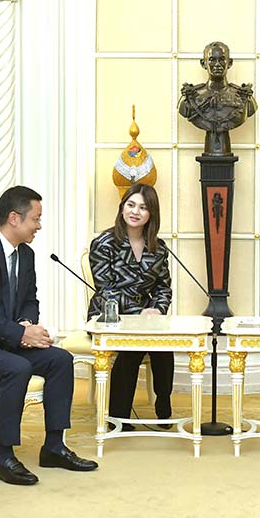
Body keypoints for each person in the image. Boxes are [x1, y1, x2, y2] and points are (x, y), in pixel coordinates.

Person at [0, 185, 97, 485]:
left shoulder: (26, 254)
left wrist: (26, 324)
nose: (39, 226)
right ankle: (3, 457)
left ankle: (54, 447)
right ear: (14, 218)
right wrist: (20, 333)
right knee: (17, 367)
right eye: (35, 219)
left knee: (60, 360)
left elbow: (29, 300)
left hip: (3, 341)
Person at [88, 183, 175, 429]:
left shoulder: (158, 248)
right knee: (133, 346)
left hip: (147, 317)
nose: (135, 211)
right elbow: (105, 289)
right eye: (131, 205)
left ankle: (163, 402)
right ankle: (119, 417)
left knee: (164, 341)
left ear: (151, 214)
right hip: (109, 316)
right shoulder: (104, 243)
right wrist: (139, 314)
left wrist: (157, 310)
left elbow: (163, 288)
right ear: (122, 207)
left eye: (143, 207)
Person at [178, 41, 258, 156]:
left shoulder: (244, 98)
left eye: (222, 59)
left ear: (229, 63)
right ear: (203, 63)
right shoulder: (189, 99)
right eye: (212, 60)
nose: (217, 65)